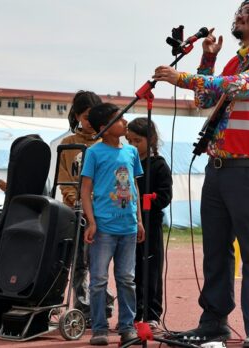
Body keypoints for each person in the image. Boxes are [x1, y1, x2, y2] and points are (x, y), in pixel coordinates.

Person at [152, 1, 249, 346]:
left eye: (247, 11)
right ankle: (213, 322)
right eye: (238, 11)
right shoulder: (235, 59)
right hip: (218, 168)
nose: (238, 16)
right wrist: (208, 60)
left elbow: (237, 86)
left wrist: (179, 77)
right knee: (215, 250)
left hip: (247, 169)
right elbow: (203, 98)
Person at [81, 103, 145, 346]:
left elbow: (134, 187)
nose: (125, 122)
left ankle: (127, 326)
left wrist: (139, 220)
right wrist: (91, 222)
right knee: (98, 279)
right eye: (119, 119)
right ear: (103, 128)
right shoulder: (95, 153)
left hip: (128, 227)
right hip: (104, 228)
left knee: (127, 278)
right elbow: (86, 189)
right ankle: (99, 328)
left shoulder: (131, 152)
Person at [57, 91, 115, 323]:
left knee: (101, 262)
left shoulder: (108, 143)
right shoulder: (68, 144)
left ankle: (104, 303)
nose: (89, 121)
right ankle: (82, 305)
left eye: (93, 115)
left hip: (104, 212)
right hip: (77, 213)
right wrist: (78, 202)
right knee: (80, 263)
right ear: (76, 116)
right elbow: (64, 181)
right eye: (84, 116)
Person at [126, 117, 173, 330]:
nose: (133, 146)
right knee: (130, 270)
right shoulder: (126, 163)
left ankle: (152, 314)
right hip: (127, 225)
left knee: (151, 270)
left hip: (150, 225)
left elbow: (165, 196)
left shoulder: (159, 165)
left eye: (138, 141)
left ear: (151, 139)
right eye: (130, 141)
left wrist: (148, 200)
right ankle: (134, 313)